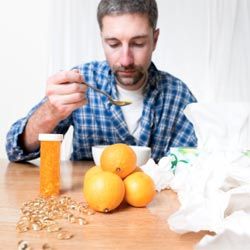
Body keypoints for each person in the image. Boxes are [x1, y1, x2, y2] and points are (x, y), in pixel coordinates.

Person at [6, 0, 197, 163]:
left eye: (138, 43)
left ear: (155, 40)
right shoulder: (82, 81)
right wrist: (50, 111)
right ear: (102, 40)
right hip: (86, 201)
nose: (125, 60)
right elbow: (15, 150)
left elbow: (196, 168)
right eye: (113, 44)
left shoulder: (177, 95)